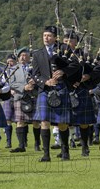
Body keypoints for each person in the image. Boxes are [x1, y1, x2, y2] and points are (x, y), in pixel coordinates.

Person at [31, 26, 80, 162]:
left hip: (61, 87)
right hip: (45, 90)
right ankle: (46, 154)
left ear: (55, 38)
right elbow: (35, 75)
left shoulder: (64, 49)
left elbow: (76, 64)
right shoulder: (37, 54)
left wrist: (64, 71)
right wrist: (45, 82)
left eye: (49, 35)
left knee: (62, 123)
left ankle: (65, 151)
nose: (46, 38)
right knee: (44, 122)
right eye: (44, 35)